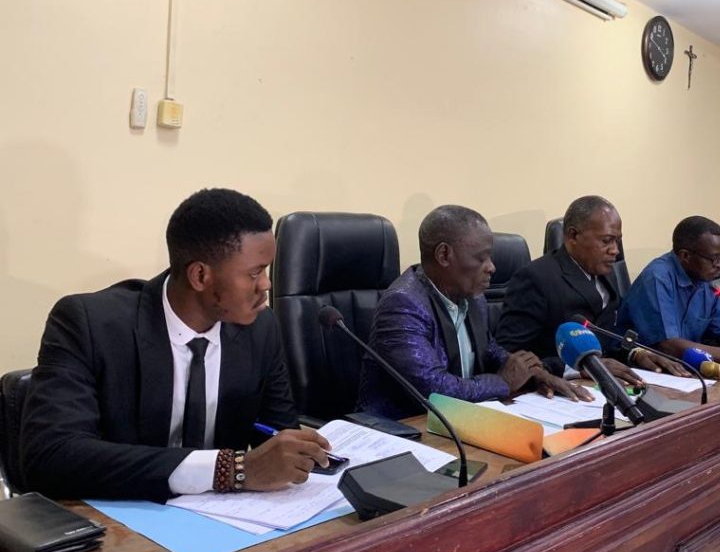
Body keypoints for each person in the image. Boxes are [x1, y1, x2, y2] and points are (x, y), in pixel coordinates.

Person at [21, 188, 331, 502]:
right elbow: (50, 456)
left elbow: (276, 433)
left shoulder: (261, 328)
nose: (266, 284)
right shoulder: (89, 324)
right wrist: (228, 469)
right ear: (200, 276)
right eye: (255, 273)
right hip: (121, 514)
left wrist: (295, 454)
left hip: (225, 516)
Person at [357, 205, 584, 420]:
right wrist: (504, 382)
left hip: (462, 420)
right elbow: (435, 391)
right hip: (402, 429)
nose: (492, 267)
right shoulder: (403, 304)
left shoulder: (472, 297)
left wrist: (534, 374)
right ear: (444, 255)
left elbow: (488, 350)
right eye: (481, 258)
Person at [496, 195, 682, 380]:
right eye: (606, 240)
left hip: (603, 384)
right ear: (573, 236)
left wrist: (636, 353)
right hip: (555, 388)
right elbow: (509, 357)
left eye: (617, 241)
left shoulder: (606, 272)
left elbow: (608, 336)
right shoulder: (536, 278)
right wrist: (581, 368)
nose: (615, 250)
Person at [617, 216, 720, 370]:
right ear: (685, 255)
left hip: (685, 369)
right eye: (714, 259)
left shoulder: (704, 283)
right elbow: (669, 346)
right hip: (642, 369)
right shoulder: (658, 278)